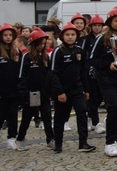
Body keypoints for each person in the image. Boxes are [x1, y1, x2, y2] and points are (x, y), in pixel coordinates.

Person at [89, 7, 117, 157]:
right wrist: (108, 65)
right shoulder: (101, 39)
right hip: (106, 80)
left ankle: (114, 140)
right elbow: (93, 59)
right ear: (110, 22)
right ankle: (108, 143)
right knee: (113, 107)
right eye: (116, 21)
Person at [48, 22, 96, 153]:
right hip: (62, 91)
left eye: (73, 34)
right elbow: (53, 74)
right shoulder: (58, 51)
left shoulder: (80, 51)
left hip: (77, 89)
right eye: (67, 34)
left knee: (82, 113)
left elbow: (83, 72)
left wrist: (86, 90)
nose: (70, 37)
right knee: (60, 117)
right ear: (62, 36)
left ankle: (83, 143)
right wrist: (59, 92)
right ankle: (58, 143)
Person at [16, 28, 55, 149]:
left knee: (47, 117)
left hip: (44, 93)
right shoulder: (26, 57)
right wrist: (24, 95)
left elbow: (49, 76)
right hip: (31, 93)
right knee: (27, 117)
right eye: (40, 43)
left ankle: (50, 139)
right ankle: (20, 138)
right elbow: (21, 77)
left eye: (44, 43)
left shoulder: (46, 58)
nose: (42, 46)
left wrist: (50, 91)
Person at [0, 23, 23, 150]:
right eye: (5, 35)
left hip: (14, 91)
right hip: (2, 91)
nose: (8, 37)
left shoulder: (17, 51)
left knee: (13, 116)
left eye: (10, 35)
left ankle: (11, 138)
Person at [83, 14, 105, 134]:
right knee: (92, 96)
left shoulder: (105, 38)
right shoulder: (86, 40)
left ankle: (90, 114)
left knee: (100, 96)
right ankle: (96, 122)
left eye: (99, 25)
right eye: (95, 25)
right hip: (89, 71)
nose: (97, 28)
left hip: (101, 70)